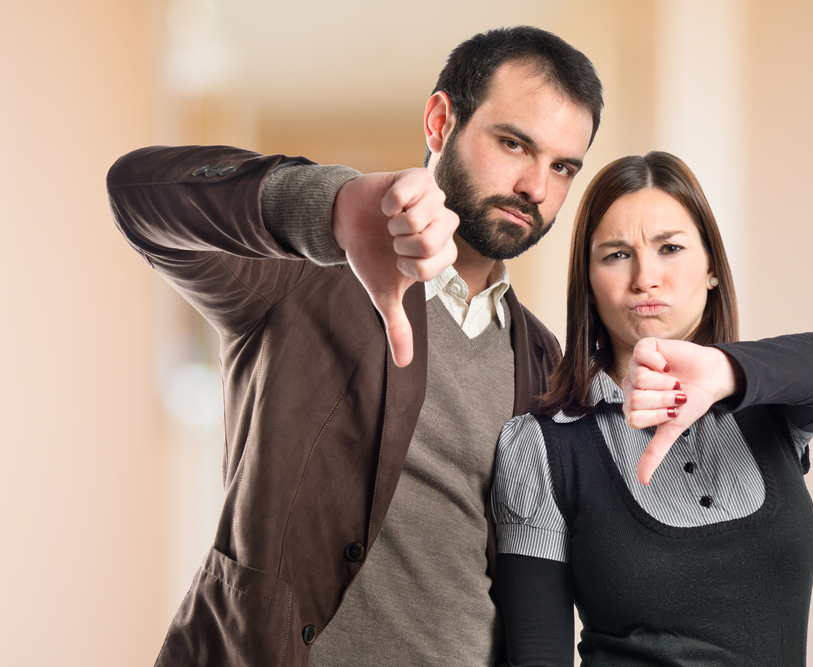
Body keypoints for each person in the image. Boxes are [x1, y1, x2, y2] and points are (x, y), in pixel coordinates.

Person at [106, 26, 603, 667]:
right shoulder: (307, 277)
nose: (537, 187)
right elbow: (137, 193)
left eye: (563, 167)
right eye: (514, 143)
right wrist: (332, 206)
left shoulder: (542, 359)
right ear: (440, 120)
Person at [491, 152, 813, 666]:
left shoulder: (768, 407)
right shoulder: (542, 444)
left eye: (670, 248)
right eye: (616, 255)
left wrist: (723, 371)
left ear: (711, 267)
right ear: (589, 282)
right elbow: (538, 656)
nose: (645, 277)